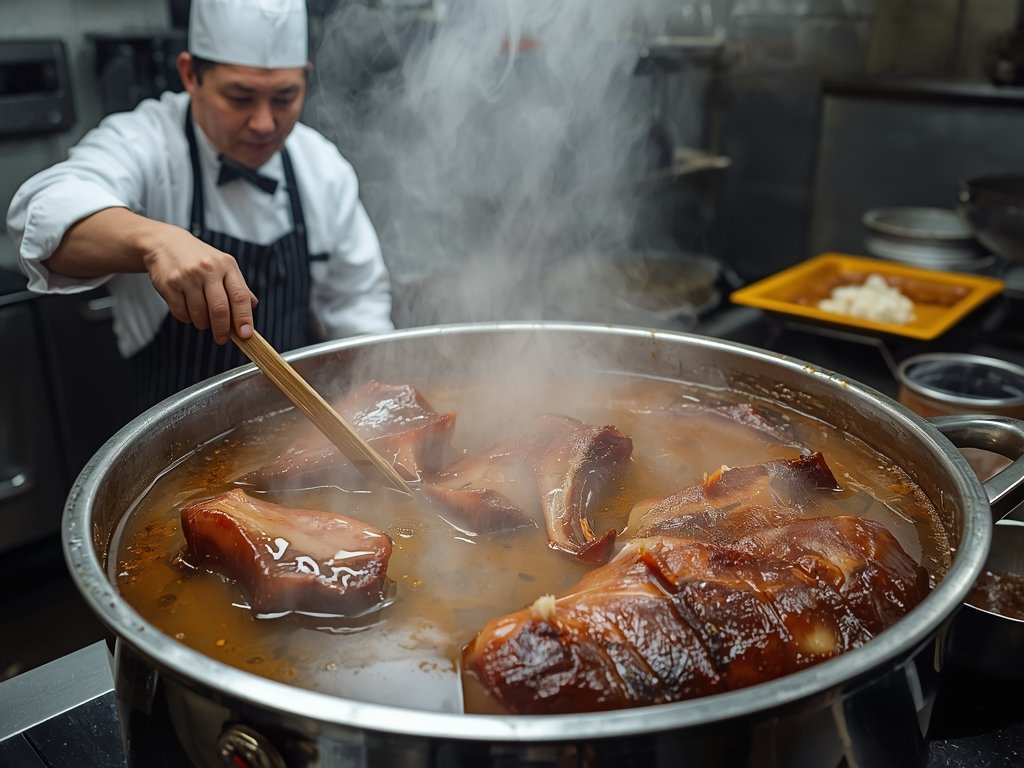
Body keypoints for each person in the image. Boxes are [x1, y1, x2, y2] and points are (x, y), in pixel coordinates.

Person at [6, 0, 393, 411]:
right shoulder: (147, 142)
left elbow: (357, 306)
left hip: (295, 429)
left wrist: (377, 403)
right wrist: (153, 240)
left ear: (305, 79)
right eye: (240, 97)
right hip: (171, 445)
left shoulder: (320, 165)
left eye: (284, 97)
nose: (264, 122)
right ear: (190, 74)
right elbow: (40, 214)